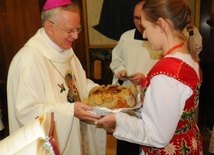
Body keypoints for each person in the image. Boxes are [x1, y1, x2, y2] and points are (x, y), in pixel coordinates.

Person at [98, 0, 203, 154]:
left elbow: (157, 135)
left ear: (161, 24)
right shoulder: (187, 57)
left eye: (146, 27)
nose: (145, 34)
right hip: (187, 140)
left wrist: (116, 119)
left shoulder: (166, 71)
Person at [6, 0, 106, 155]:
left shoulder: (66, 52)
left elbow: (79, 84)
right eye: (69, 30)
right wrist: (70, 110)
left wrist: (99, 91)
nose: (76, 36)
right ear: (49, 27)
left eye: (78, 29)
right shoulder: (28, 60)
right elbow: (26, 113)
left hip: (79, 137)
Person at [109, 1, 162, 154]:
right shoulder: (126, 37)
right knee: (126, 141)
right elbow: (116, 58)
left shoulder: (160, 40)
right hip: (127, 99)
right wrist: (120, 71)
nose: (139, 23)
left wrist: (145, 78)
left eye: (142, 18)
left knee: (147, 140)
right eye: (136, 18)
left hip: (150, 101)